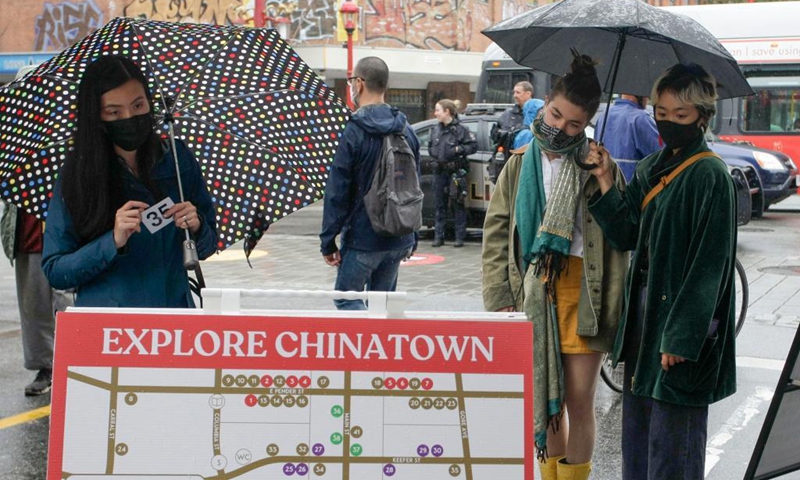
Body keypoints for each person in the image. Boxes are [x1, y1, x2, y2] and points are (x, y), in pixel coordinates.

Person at [481, 50, 629, 480]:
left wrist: (604, 181)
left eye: (574, 124)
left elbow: (624, 235)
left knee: (580, 400)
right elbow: (496, 235)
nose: (560, 128)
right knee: (547, 401)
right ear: (545, 103)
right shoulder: (518, 164)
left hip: (586, 291)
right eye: (556, 115)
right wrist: (501, 299)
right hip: (533, 290)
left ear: (587, 126)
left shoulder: (599, 165)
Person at [586, 63, 737, 480]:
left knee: (675, 443)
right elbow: (625, 232)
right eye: (661, 114)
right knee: (639, 435)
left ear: (703, 116)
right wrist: (603, 179)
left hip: (679, 322)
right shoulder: (654, 165)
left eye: (681, 115)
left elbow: (711, 266)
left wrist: (682, 337)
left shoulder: (711, 175)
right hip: (644, 316)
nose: (668, 123)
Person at [42, 55, 217, 308]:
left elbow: (207, 246)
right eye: (114, 112)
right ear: (97, 117)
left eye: (138, 106)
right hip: (110, 328)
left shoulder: (177, 160)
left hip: (173, 322)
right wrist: (112, 240)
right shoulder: (78, 173)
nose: (129, 117)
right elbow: (56, 270)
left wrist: (197, 226)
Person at [319, 57, 421, 310]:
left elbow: (337, 192)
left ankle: (363, 349)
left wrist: (328, 241)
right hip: (399, 235)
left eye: (352, 80)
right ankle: (380, 347)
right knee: (381, 306)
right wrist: (413, 234)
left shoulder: (353, 130)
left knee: (347, 299)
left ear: (360, 83)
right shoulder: (406, 129)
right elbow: (413, 185)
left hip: (363, 236)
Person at [1, 203, 73, 395]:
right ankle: (46, 366)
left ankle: (78, 360)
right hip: (30, 237)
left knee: (68, 305)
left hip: (67, 237)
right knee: (33, 305)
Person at [429, 99, 478, 248]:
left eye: (438, 110)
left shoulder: (461, 130)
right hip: (440, 171)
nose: (435, 113)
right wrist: (434, 157)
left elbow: (472, 146)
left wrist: (458, 150)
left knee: (458, 204)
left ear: (447, 112)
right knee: (439, 205)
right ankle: (439, 237)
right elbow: (431, 147)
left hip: (455, 171)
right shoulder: (435, 129)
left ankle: (459, 237)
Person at [594, 94, 662, 181]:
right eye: (646, 95)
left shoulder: (603, 117)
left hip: (606, 186)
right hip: (633, 189)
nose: (647, 98)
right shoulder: (641, 118)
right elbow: (662, 155)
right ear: (639, 94)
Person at [489, 81, 536, 181]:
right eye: (514, 92)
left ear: (528, 94)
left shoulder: (538, 113)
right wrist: (504, 135)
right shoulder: (507, 114)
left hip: (530, 166)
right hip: (508, 164)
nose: (514, 95)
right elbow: (494, 136)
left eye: (518, 92)